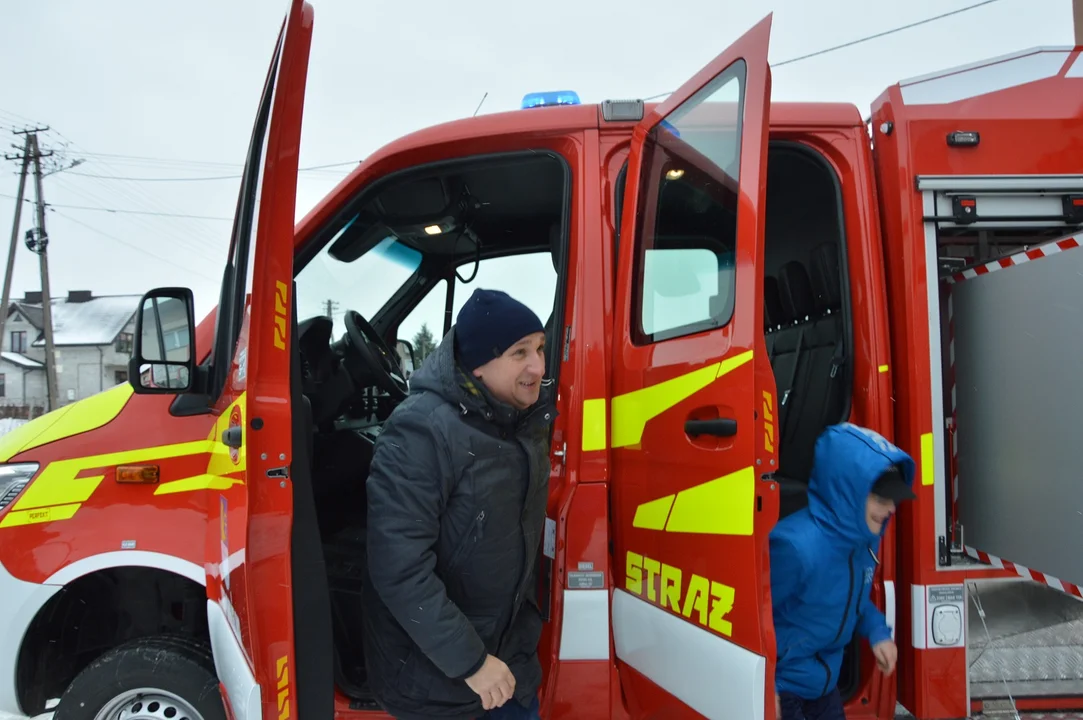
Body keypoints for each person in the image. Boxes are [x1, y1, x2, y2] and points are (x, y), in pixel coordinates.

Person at [361, 288, 556, 720]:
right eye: (520, 352)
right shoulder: (421, 430)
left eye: (540, 348)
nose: (538, 366)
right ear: (478, 365)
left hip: (511, 667)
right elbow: (398, 567)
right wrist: (472, 663)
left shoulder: (521, 421)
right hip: (439, 683)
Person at [769, 422, 917, 720]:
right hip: (785, 689)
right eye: (880, 498)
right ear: (847, 493)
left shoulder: (860, 545)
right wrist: (764, 686)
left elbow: (853, 603)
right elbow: (754, 618)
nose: (891, 509)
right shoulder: (795, 548)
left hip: (824, 687)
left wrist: (878, 633)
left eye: (894, 500)